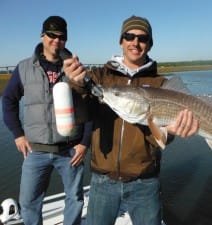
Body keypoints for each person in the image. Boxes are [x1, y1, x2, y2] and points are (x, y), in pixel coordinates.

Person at [63, 15, 198, 225]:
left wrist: (171, 132)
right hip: (102, 179)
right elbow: (80, 113)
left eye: (143, 38)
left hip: (145, 181)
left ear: (150, 44)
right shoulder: (100, 77)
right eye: (129, 36)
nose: (135, 42)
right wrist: (76, 84)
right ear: (121, 41)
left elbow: (161, 139)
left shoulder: (161, 84)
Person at [2, 16, 92, 225]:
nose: (56, 40)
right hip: (36, 151)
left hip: (71, 150)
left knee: (75, 199)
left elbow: (90, 106)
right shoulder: (24, 68)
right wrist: (18, 135)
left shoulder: (75, 68)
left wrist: (84, 142)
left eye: (61, 37)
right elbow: (8, 101)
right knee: (28, 202)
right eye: (51, 35)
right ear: (42, 35)